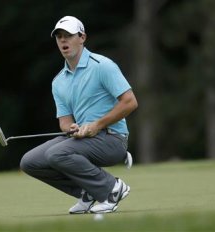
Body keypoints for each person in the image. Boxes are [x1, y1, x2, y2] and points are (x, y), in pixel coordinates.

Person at [20, 16, 138, 214]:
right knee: (30, 162)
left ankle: (111, 188)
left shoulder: (102, 65)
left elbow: (130, 102)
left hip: (113, 139)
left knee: (56, 153)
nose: (63, 41)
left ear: (82, 37)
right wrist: (71, 128)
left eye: (68, 35)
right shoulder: (58, 81)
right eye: (59, 37)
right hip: (84, 139)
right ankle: (88, 192)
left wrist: (97, 125)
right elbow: (65, 123)